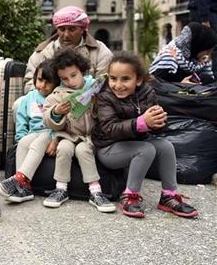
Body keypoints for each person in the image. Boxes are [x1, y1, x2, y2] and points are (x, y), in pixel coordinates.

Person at [92, 51, 198, 219]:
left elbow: (156, 127)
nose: (117, 85)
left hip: (135, 143)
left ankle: (168, 195)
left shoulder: (147, 93)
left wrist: (158, 122)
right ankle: (130, 196)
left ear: (138, 80)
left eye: (125, 79)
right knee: (146, 149)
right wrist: (141, 123)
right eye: (113, 78)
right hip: (109, 149)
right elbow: (109, 128)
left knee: (165, 145)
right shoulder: (105, 97)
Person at [42, 48, 115, 212]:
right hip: (67, 136)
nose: (70, 81)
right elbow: (47, 118)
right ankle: (60, 189)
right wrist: (56, 112)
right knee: (64, 148)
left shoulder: (96, 88)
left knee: (83, 150)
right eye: (64, 78)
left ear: (82, 70)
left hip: (89, 137)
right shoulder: (58, 94)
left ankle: (95, 191)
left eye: (73, 75)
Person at [0, 60, 60, 203]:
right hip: (33, 132)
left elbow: (61, 121)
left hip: (49, 133)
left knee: (40, 141)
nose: (42, 85)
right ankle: (24, 188)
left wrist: (55, 138)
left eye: (48, 82)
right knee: (24, 142)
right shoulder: (30, 98)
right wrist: (20, 137)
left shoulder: (57, 97)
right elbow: (22, 119)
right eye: (40, 80)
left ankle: (19, 179)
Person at [23, 5, 113, 95]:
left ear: (83, 29)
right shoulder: (41, 53)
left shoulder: (101, 52)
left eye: (72, 29)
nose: (66, 35)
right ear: (57, 29)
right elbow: (29, 85)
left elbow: (103, 86)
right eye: (62, 29)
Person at [149, 22, 217, 84]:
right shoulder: (168, 59)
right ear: (197, 47)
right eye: (207, 51)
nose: (208, 55)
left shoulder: (195, 61)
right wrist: (181, 85)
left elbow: (210, 81)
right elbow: (156, 86)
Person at [188, 0, 217, 76]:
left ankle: (200, 78)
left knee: (200, 49)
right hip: (205, 13)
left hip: (205, 12)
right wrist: (204, 19)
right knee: (209, 48)